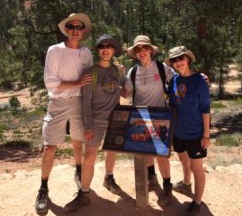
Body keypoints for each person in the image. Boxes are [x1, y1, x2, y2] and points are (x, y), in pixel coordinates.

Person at [34, 13, 93, 214]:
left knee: (78, 140)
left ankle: (78, 170)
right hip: (58, 102)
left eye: (79, 26)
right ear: (66, 29)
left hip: (78, 101)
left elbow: (91, 79)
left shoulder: (86, 54)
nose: (75, 30)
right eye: (71, 26)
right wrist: (75, 83)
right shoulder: (54, 50)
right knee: (50, 146)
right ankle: (43, 187)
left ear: (83, 31)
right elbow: (49, 82)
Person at [63, 34, 126, 212]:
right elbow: (86, 101)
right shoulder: (90, 72)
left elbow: (126, 91)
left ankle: (109, 178)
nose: (105, 50)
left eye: (109, 47)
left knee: (112, 151)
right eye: (102, 47)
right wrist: (89, 125)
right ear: (98, 51)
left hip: (115, 119)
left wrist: (125, 77)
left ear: (114, 51)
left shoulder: (117, 70)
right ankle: (84, 194)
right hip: (96, 121)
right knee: (89, 157)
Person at [122, 35, 176, 206]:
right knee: (145, 153)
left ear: (151, 50)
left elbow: (178, 80)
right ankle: (152, 177)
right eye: (138, 49)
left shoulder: (162, 68)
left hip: (160, 117)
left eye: (145, 48)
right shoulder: (133, 71)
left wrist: (199, 78)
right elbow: (126, 93)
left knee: (161, 156)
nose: (142, 51)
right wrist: (116, 80)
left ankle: (167, 185)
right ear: (136, 54)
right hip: (139, 117)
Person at [165, 46, 211, 216]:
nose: (178, 62)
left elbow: (206, 109)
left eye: (181, 58)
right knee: (184, 162)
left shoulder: (200, 81)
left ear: (188, 59)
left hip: (195, 134)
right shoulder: (174, 81)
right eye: (174, 60)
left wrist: (206, 135)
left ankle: (197, 202)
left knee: (197, 169)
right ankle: (186, 183)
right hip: (178, 133)